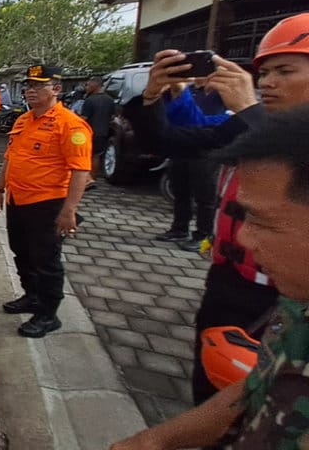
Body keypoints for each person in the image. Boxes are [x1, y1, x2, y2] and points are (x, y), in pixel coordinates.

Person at [123, 13, 309, 405]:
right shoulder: (250, 124)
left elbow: (291, 162)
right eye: (265, 72)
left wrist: (247, 108)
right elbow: (169, 141)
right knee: (211, 383)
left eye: (284, 71)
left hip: (287, 297)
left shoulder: (255, 121)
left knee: (269, 403)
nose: (268, 83)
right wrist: (153, 95)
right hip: (231, 283)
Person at [110, 106, 309, 450]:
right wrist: (153, 440)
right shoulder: (295, 309)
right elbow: (257, 387)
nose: (243, 238)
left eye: (263, 222)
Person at [0, 64, 92, 338]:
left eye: (39, 85)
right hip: (18, 199)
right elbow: (10, 158)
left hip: (48, 204)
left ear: (57, 89)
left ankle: (48, 315)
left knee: (46, 260)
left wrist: (69, 210)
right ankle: (32, 296)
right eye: (28, 85)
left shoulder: (71, 125)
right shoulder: (23, 120)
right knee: (21, 252)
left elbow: (81, 171)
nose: (31, 90)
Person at [157, 83, 229, 252]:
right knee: (180, 192)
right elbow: (170, 116)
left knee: (205, 196)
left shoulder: (222, 92)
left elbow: (221, 119)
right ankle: (179, 229)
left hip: (206, 151)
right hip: (181, 147)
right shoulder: (186, 90)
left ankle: (204, 235)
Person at [80, 76, 115, 181]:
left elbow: (83, 118)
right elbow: (112, 116)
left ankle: (87, 179)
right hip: (103, 132)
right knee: (97, 155)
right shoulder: (110, 100)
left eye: (89, 85)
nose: (87, 87)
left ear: (96, 85)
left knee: (87, 156)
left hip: (89, 132)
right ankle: (93, 178)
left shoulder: (89, 100)